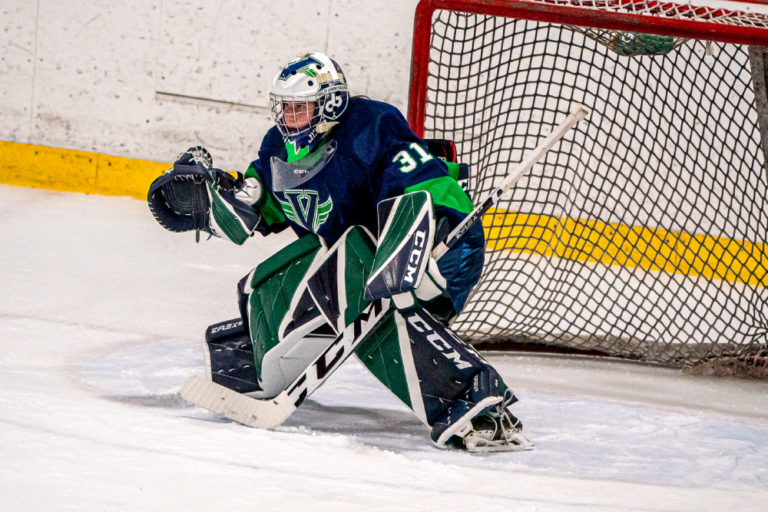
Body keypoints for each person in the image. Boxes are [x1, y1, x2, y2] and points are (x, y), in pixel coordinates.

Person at [148, 52, 532, 452]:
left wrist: (418, 240)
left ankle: (476, 404)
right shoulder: (280, 147)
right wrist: (219, 203)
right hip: (361, 257)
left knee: (356, 268)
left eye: (300, 108)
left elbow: (426, 190)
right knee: (273, 281)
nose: (288, 118)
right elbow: (261, 204)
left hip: (440, 246)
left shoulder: (371, 127)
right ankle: (252, 361)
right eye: (285, 108)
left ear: (329, 103)